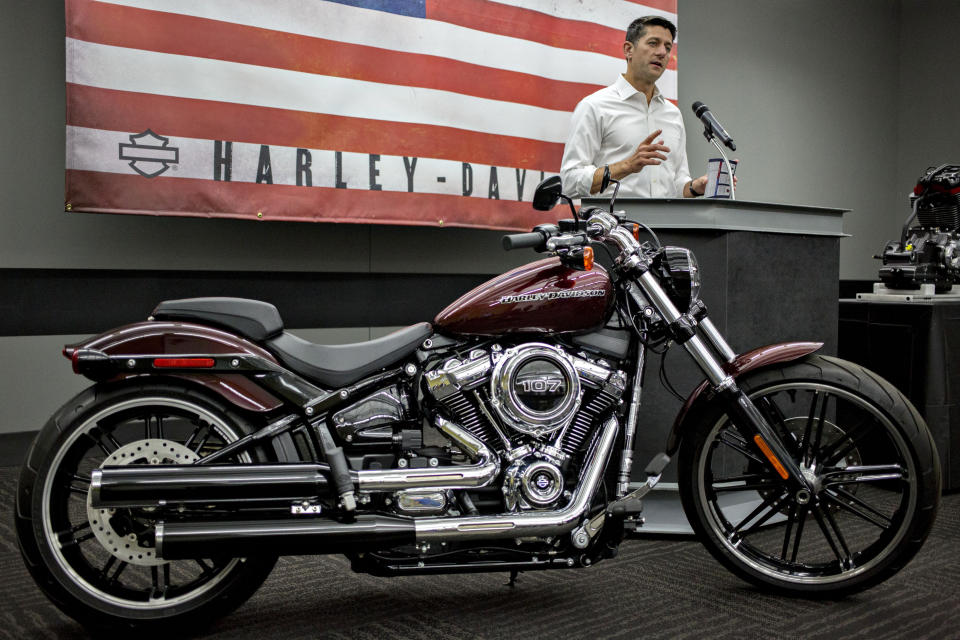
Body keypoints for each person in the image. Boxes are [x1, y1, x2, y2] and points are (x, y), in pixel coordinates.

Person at [561, 16, 708, 199]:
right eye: (653, 43)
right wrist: (627, 166)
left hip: (664, 226)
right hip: (614, 225)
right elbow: (569, 182)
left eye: (668, 47)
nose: (662, 52)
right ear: (628, 50)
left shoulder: (672, 114)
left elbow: (676, 184)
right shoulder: (595, 106)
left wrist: (695, 187)